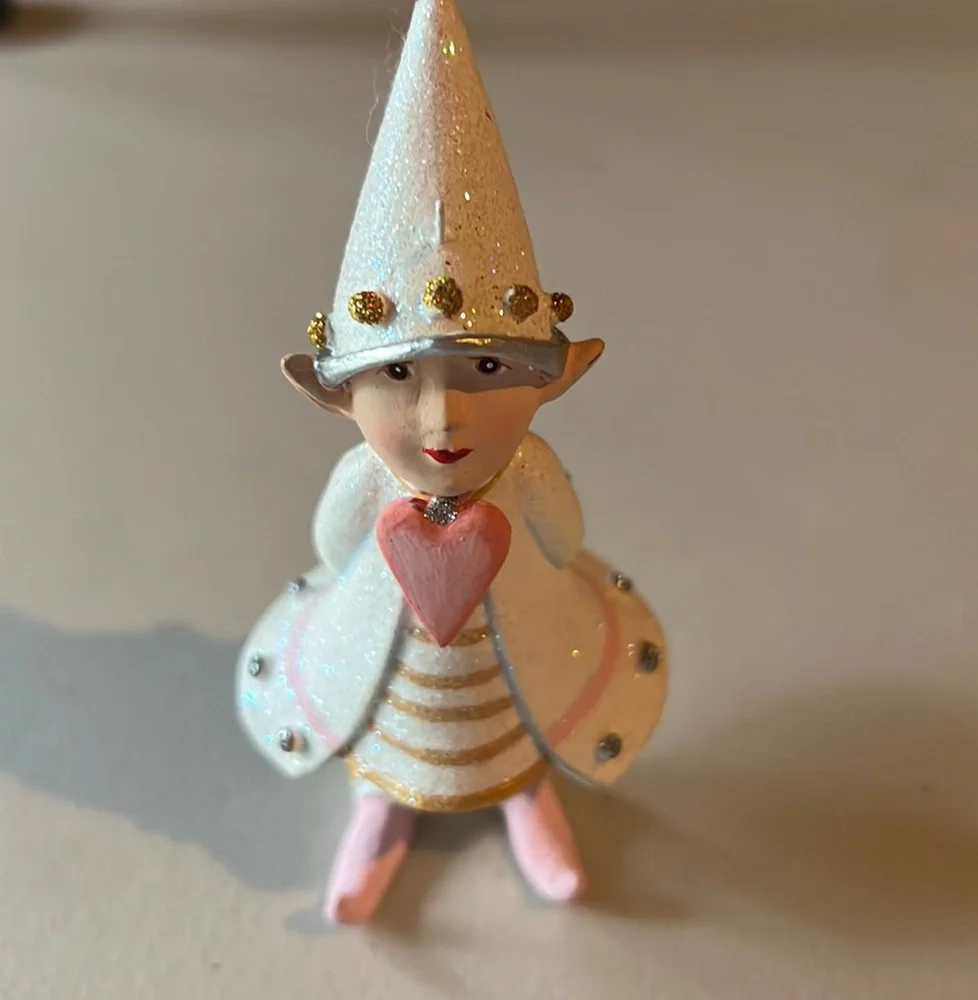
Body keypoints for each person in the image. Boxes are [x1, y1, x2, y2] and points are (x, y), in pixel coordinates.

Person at [236, 0, 667, 925]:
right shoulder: (368, 479)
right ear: (341, 394)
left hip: (517, 645)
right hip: (387, 651)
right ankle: (381, 807)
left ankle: (524, 794)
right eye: (397, 375)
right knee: (391, 722)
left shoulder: (526, 468)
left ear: (547, 381)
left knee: (522, 704)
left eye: (486, 370)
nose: (442, 417)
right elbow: (338, 546)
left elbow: (559, 539)